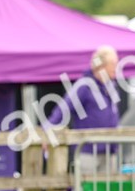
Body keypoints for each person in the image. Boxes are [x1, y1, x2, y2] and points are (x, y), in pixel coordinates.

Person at [44, 46, 122, 175]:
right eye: (113, 64)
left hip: (109, 151)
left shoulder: (111, 86)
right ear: (101, 66)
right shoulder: (85, 86)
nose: (116, 68)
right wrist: (47, 131)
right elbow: (63, 109)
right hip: (87, 151)